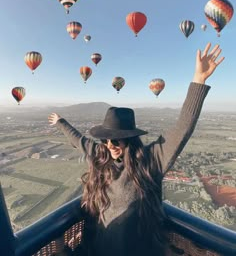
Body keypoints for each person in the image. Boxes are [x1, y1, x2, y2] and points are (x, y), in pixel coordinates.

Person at [48, 42, 225, 256]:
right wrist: (61, 122)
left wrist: (199, 81)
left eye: (116, 141)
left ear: (130, 140)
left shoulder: (151, 160)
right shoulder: (100, 156)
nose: (109, 145)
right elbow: (79, 140)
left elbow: (182, 129)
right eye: (105, 140)